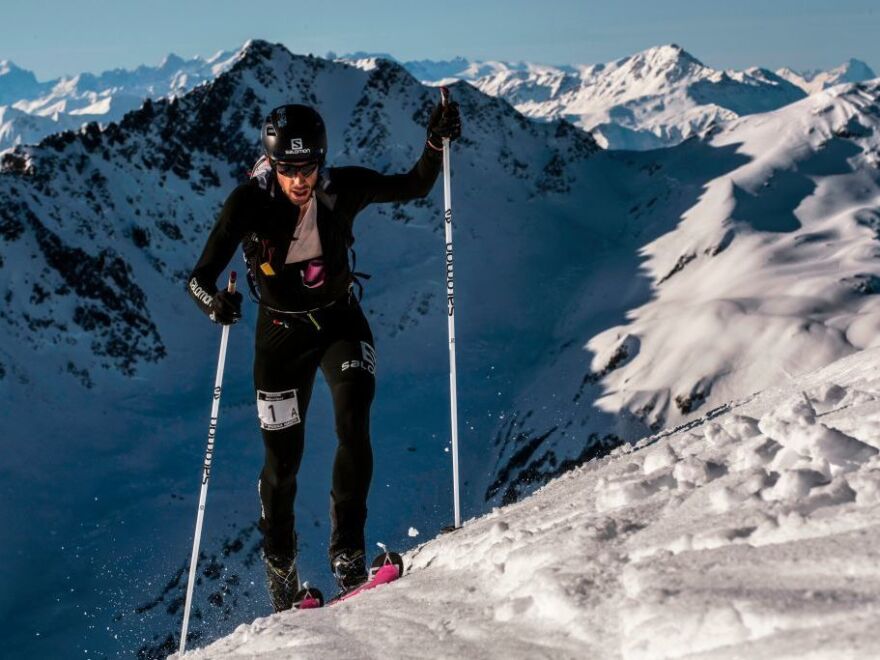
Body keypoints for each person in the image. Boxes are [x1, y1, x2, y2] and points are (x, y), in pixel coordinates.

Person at [186, 99, 461, 611]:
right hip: (279, 340)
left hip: (339, 321)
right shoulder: (249, 202)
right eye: (288, 169)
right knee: (282, 465)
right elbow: (199, 279)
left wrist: (434, 142)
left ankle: (347, 556)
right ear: (272, 163)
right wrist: (215, 304)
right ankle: (281, 574)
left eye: (308, 167)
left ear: (321, 160)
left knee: (353, 418)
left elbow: (414, 185)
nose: (299, 179)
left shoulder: (341, 188)